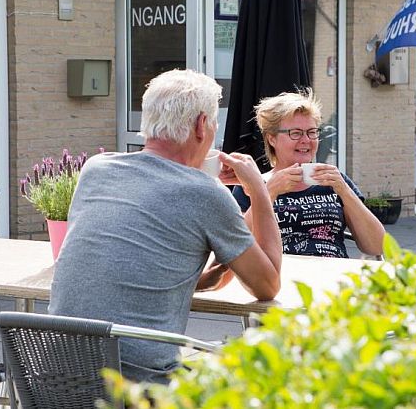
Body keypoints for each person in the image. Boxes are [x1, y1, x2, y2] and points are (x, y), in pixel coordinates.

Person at [49, 69, 282, 384]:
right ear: (202, 126)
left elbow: (131, 267)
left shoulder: (96, 170)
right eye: (214, 123)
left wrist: (203, 278)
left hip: (56, 381)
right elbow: (267, 286)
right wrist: (260, 190)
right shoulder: (205, 191)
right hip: (140, 389)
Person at [232, 89, 384, 259]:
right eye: (295, 133)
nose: (306, 140)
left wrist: (344, 191)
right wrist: (269, 192)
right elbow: (236, 245)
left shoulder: (333, 181)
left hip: (334, 277)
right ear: (271, 139)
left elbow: (376, 246)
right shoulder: (252, 185)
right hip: (280, 278)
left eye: (312, 132)